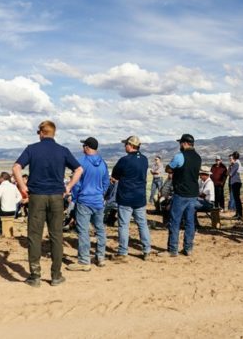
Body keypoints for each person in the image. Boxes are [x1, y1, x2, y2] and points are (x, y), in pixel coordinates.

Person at [12, 120, 83, 288]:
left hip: (37, 197)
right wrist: (68, 187)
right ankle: (56, 276)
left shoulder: (32, 149)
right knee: (56, 236)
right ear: (54, 133)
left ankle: (35, 276)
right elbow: (79, 169)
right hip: (57, 197)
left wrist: (23, 188)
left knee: (34, 236)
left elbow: (16, 168)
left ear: (41, 133)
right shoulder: (63, 151)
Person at [67, 137, 109, 271]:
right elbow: (106, 182)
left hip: (84, 200)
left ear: (86, 147)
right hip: (98, 201)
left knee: (83, 231)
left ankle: (85, 260)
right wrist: (101, 194)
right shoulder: (102, 162)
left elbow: (77, 183)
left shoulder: (81, 162)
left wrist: (74, 198)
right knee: (100, 229)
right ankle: (100, 257)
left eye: (83, 145)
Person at [160, 133, 202, 257]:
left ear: (184, 143)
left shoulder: (180, 156)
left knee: (175, 221)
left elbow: (168, 169)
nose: (179, 145)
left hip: (181, 193)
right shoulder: (198, 157)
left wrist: (173, 168)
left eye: (180, 143)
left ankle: (172, 249)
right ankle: (188, 248)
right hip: (193, 193)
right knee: (190, 222)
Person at [111, 135, 152, 261]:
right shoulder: (144, 159)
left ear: (131, 145)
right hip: (140, 197)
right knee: (142, 224)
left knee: (123, 225)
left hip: (126, 197)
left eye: (126, 144)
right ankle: (146, 250)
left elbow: (115, 176)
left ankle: (123, 252)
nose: (125, 146)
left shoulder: (124, 160)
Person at [228, 152, 243, 220]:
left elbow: (230, 174)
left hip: (236, 182)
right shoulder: (235, 164)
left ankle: (240, 214)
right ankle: (238, 214)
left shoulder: (236, 164)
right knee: (236, 199)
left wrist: (230, 166)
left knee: (237, 199)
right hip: (235, 182)